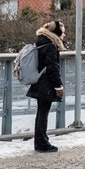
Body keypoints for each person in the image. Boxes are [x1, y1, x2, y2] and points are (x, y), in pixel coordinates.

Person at [28, 19, 65, 152]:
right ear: (56, 33)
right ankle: (42, 143)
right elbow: (52, 68)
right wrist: (58, 86)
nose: (64, 35)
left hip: (39, 81)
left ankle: (40, 142)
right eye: (63, 32)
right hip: (46, 84)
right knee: (43, 114)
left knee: (41, 113)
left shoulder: (41, 42)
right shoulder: (50, 46)